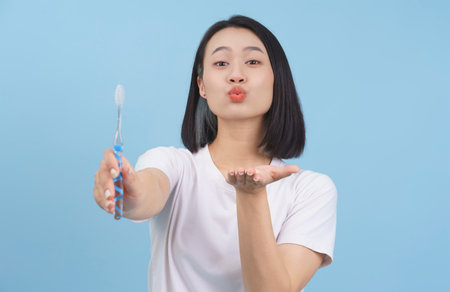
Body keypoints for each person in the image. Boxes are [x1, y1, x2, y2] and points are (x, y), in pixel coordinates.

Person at [93, 15, 337, 292]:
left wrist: (251, 195)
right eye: (221, 63)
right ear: (202, 86)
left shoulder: (311, 190)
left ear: (276, 80)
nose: (236, 74)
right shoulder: (173, 164)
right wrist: (130, 192)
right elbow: (147, 193)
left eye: (253, 62)